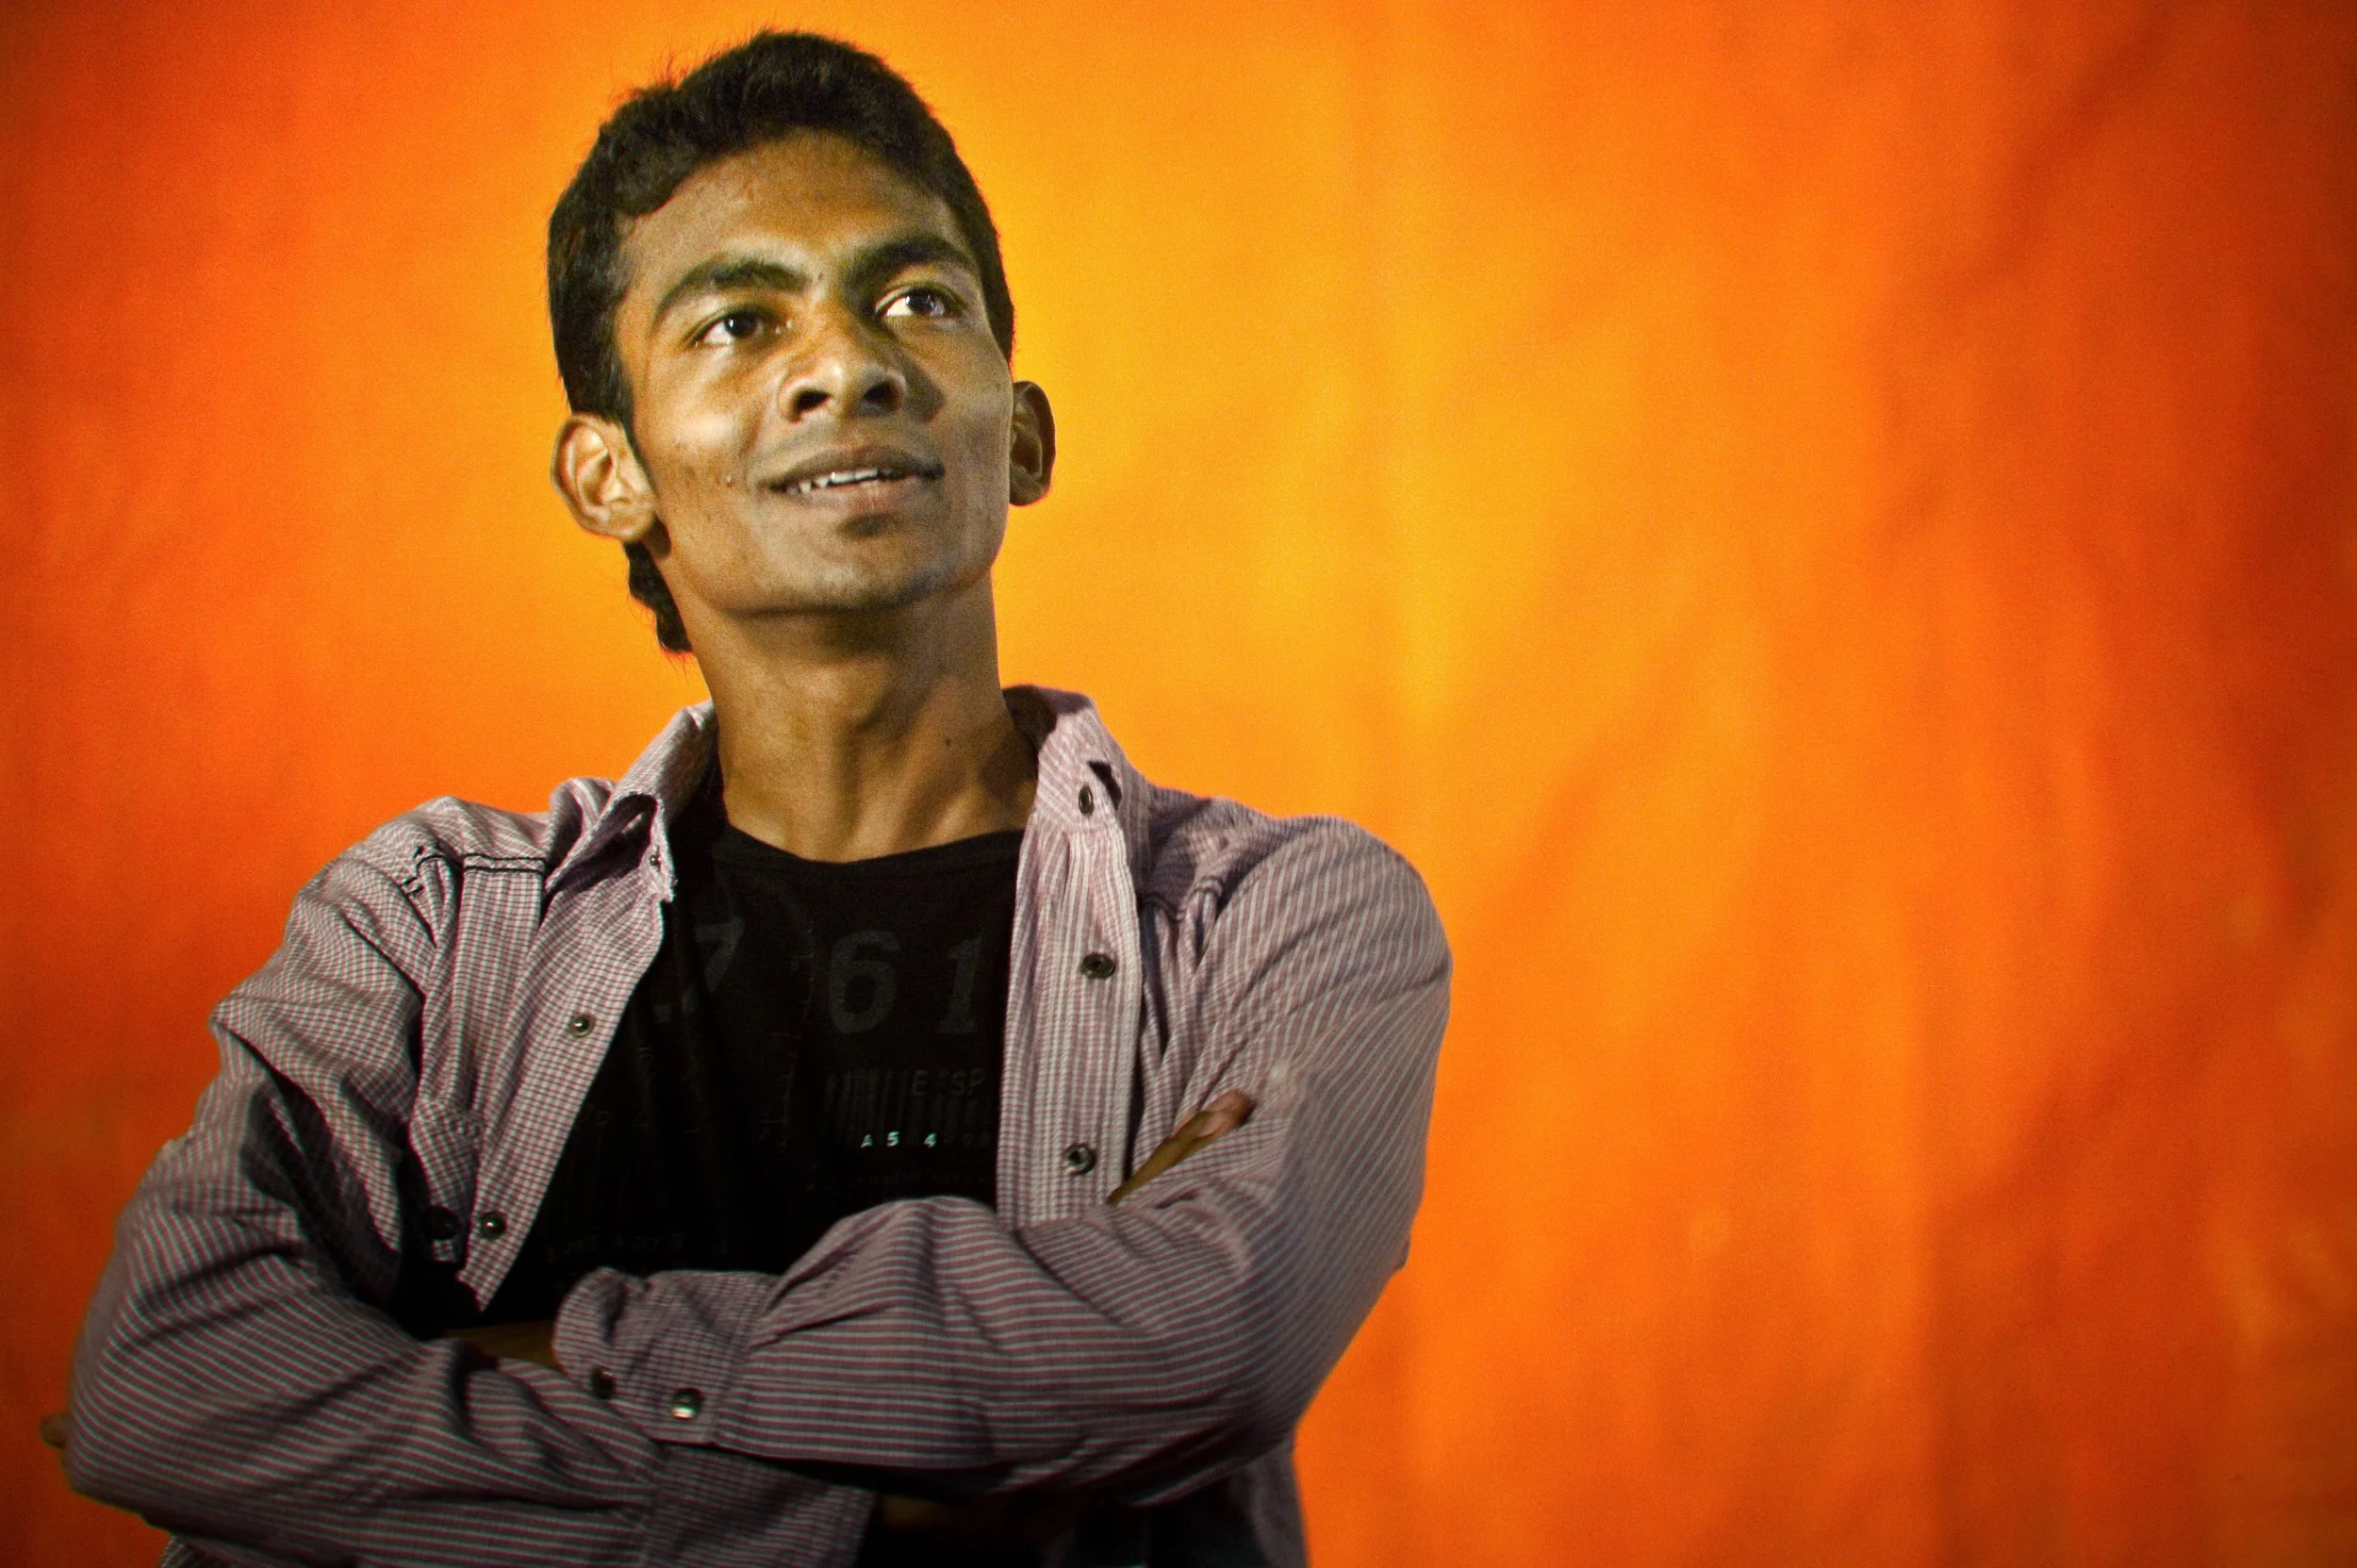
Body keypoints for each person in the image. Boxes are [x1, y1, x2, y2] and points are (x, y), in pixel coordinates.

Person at [61, 29, 1449, 1568]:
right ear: (610, 476)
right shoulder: (432, 929)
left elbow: (1210, 1346)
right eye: (736, 322)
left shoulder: (1277, 916)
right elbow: (164, 1379)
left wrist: (533, 1352)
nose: (848, 363)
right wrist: (893, 1482)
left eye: (917, 302)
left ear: (1022, 432)